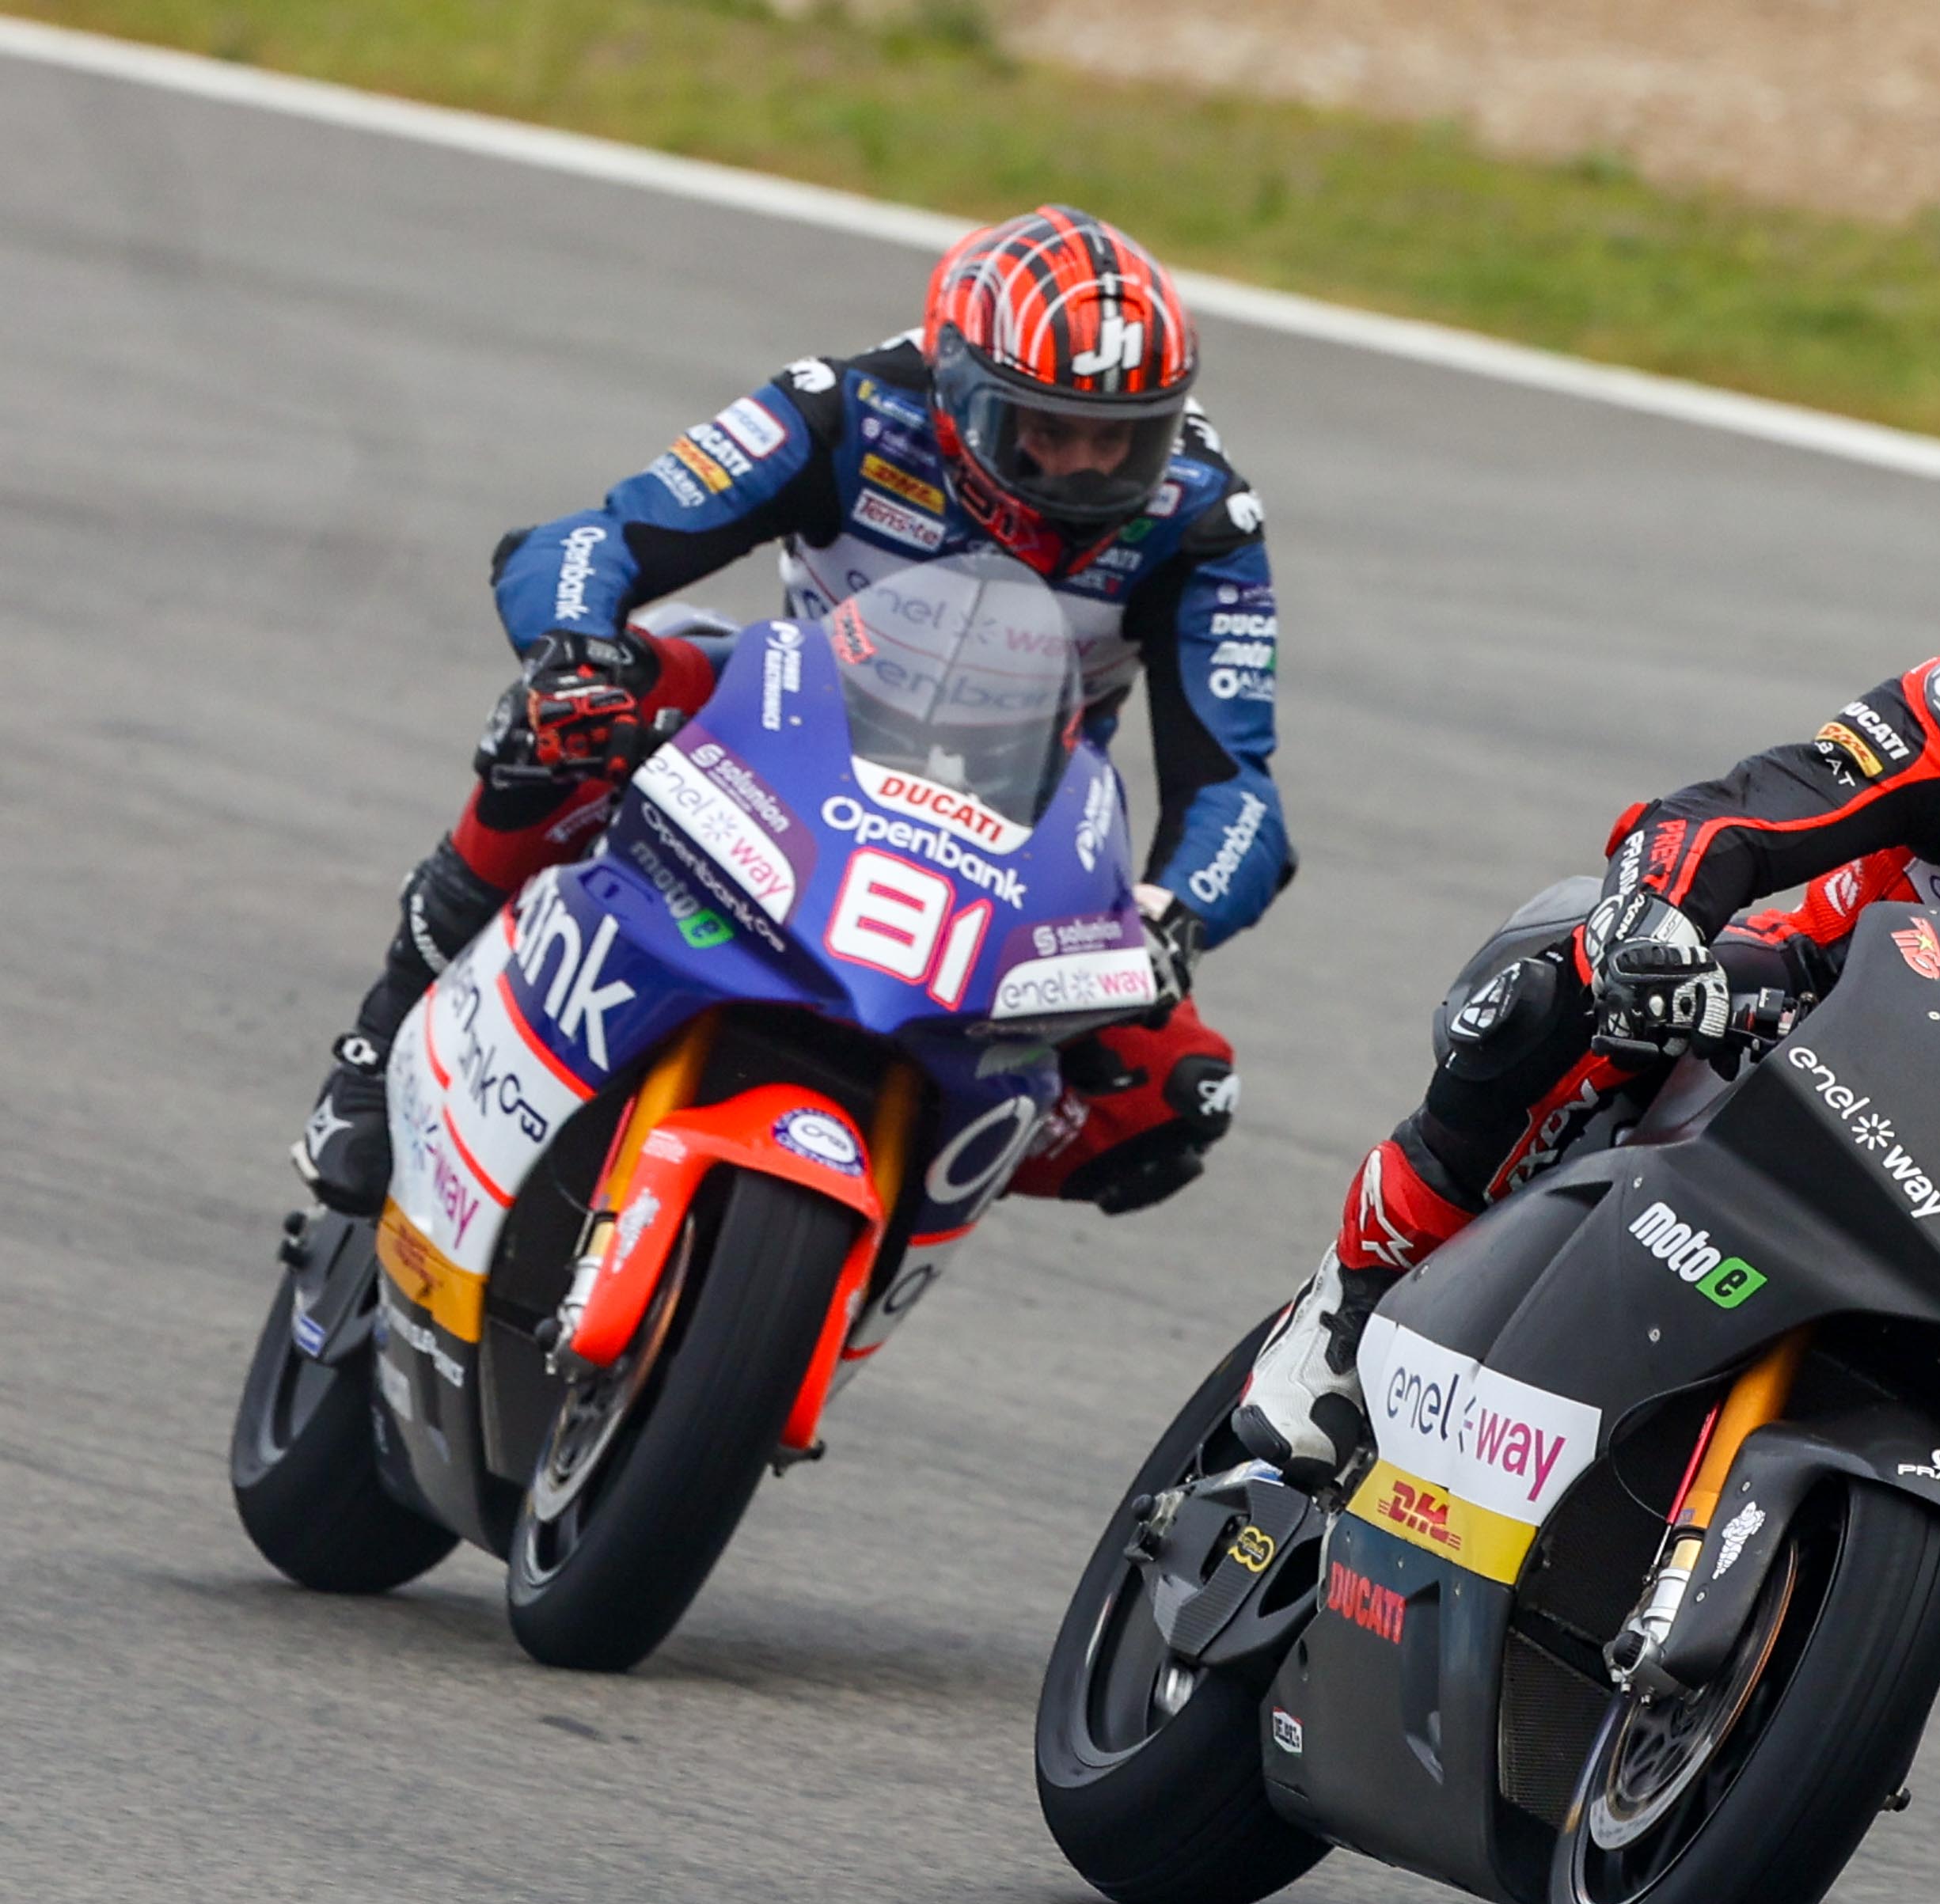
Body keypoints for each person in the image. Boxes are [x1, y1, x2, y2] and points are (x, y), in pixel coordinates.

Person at [1238, 512, 1940, 1627]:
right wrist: (1655, 919)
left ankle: (1875, 1578)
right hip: (1809, 1007)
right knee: (1553, 1003)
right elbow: (1748, 811)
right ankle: (1351, 1301)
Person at [293, 206, 1289, 1220]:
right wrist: (571, 650)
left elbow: (1238, 790)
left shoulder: (1201, 517)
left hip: (1023, 827)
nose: (1085, 473)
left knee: (1172, 1098)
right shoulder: (845, 406)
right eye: (1046, 431)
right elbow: (593, 539)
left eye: (1123, 443)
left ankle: (869, 1205)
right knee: (567, 724)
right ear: (958, 394)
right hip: (790, 740)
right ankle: (377, 1047)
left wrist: (1175, 917)